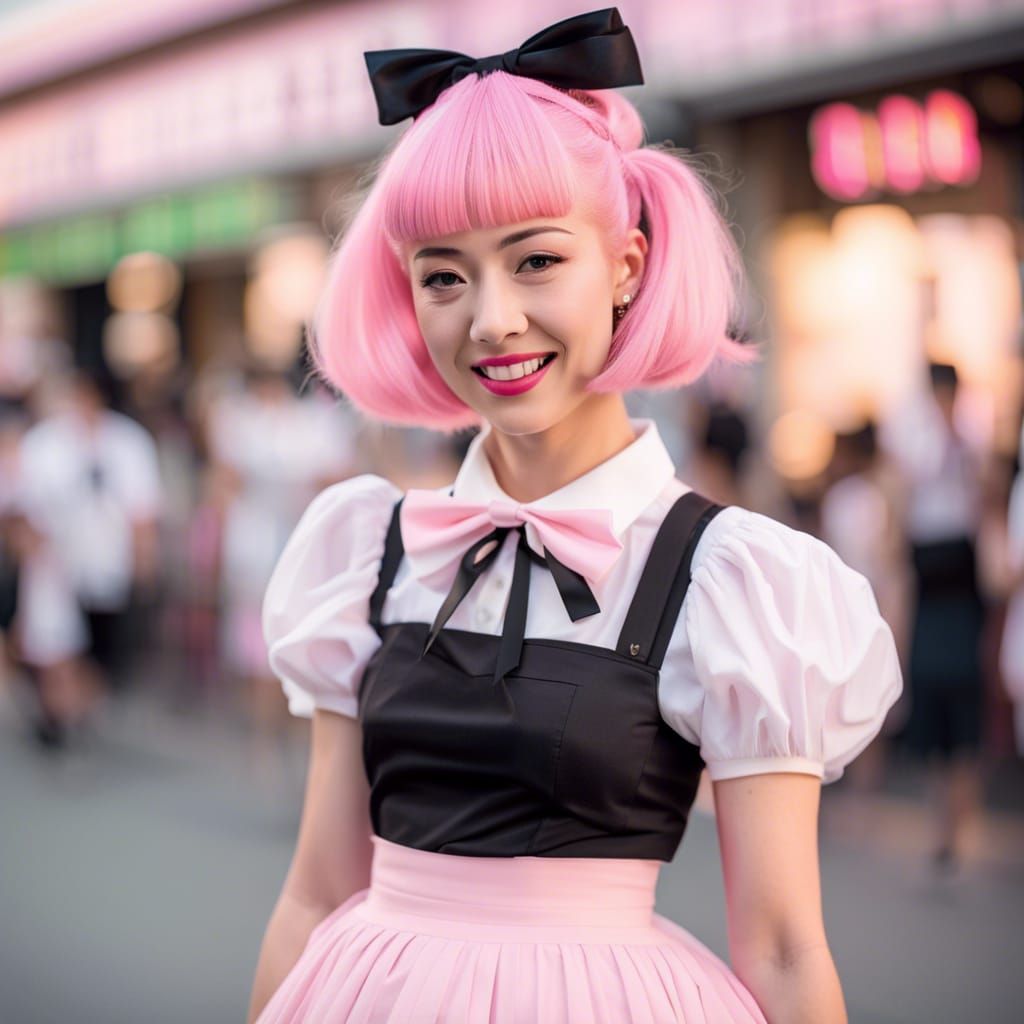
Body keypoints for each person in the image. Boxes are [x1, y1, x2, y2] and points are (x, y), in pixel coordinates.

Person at [247, 9, 902, 1023]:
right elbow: (316, 892)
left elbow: (778, 948)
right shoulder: (365, 547)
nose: (491, 319)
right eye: (443, 276)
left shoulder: (731, 576)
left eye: (536, 260)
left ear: (627, 268)